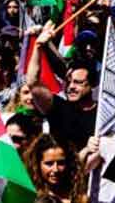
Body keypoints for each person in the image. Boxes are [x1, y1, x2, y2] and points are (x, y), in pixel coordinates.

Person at [27, 22, 98, 151]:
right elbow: (33, 83)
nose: (71, 87)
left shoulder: (102, 113)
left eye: (78, 82)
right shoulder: (58, 108)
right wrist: (38, 47)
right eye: (69, 82)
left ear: (92, 84)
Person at [25, 134, 87, 203]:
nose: (55, 169)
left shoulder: (80, 198)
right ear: (37, 165)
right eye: (49, 164)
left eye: (61, 163)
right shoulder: (30, 196)